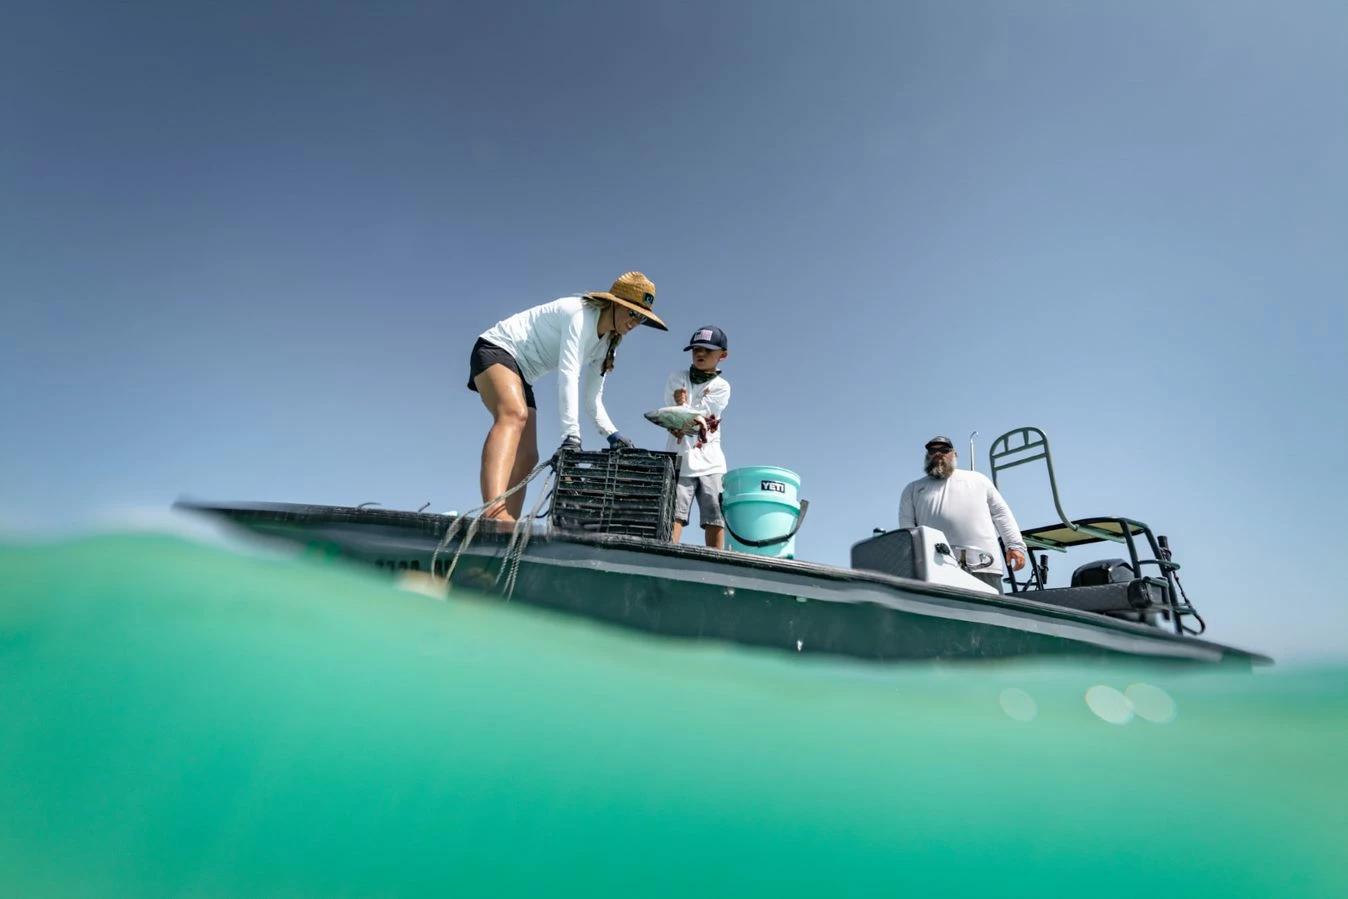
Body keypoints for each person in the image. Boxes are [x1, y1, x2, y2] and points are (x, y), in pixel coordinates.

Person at [467, 271, 668, 523]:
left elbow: (593, 398)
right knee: (514, 414)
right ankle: (494, 512)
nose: (635, 322)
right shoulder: (579, 315)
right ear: (615, 304)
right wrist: (570, 436)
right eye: (633, 313)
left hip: (523, 374)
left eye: (642, 318)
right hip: (497, 349)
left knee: (529, 456)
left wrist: (612, 434)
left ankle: (509, 525)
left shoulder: (608, 345)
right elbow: (568, 374)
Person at [898, 435, 1027, 591]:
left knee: (990, 612)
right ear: (927, 456)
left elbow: (1001, 513)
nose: (938, 453)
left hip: (984, 565)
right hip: (936, 568)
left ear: (955, 454)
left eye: (944, 450)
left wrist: (1015, 546)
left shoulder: (979, 480)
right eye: (933, 450)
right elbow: (907, 529)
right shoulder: (913, 489)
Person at [662, 326, 731, 548]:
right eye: (696, 350)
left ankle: (717, 564)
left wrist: (682, 406)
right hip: (679, 459)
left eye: (707, 350)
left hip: (711, 463)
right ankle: (665, 558)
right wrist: (677, 404)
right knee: (673, 515)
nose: (700, 354)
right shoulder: (676, 378)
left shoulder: (722, 386)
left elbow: (699, 416)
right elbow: (671, 414)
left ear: (723, 355)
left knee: (715, 517)